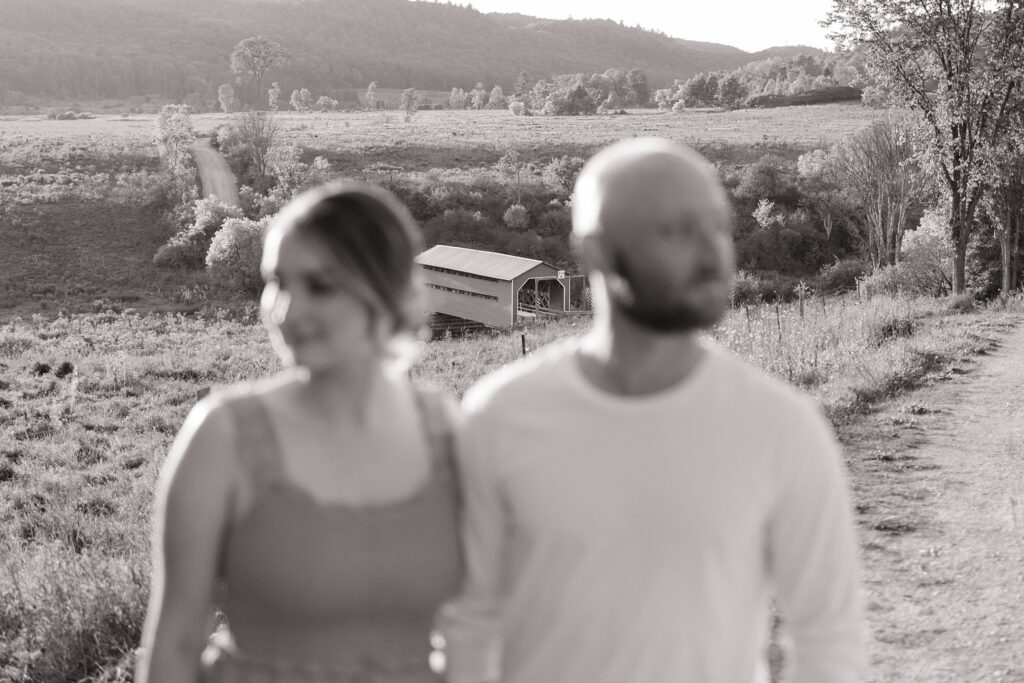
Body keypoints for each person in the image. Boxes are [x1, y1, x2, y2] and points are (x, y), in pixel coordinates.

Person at [439, 138, 867, 683]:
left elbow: (829, 637)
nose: (713, 252)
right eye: (676, 230)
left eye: (718, 225)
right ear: (597, 251)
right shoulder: (501, 416)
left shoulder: (782, 427)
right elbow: (470, 625)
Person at [138, 181, 462, 683]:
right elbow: (175, 645)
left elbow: (485, 624)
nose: (287, 312)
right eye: (277, 282)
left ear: (387, 292)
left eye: (320, 286)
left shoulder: (447, 432)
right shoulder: (224, 436)